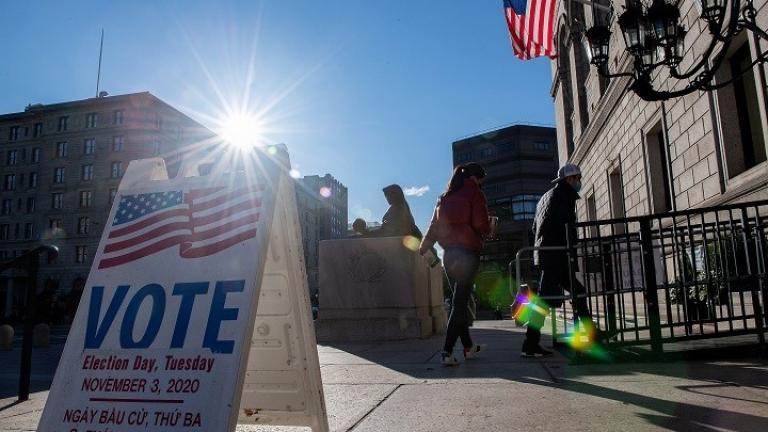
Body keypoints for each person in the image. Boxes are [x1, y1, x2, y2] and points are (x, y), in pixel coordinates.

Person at [420, 163, 492, 366]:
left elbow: (434, 227)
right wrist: (489, 228)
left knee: (458, 302)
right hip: (468, 254)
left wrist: (424, 247)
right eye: (482, 180)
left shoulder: (444, 197)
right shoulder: (474, 193)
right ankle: (447, 351)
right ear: (477, 178)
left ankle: (468, 347)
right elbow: (480, 224)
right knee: (460, 305)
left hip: (449, 256)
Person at [524, 163, 593, 357]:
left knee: (576, 293)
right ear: (569, 179)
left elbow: (534, 228)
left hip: (549, 254)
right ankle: (530, 345)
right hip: (558, 255)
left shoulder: (546, 197)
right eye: (577, 178)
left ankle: (587, 335)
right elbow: (566, 226)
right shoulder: (564, 196)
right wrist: (571, 245)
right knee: (548, 301)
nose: (579, 182)